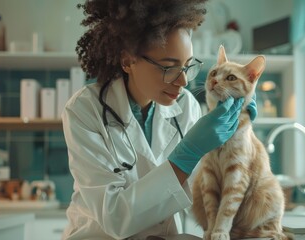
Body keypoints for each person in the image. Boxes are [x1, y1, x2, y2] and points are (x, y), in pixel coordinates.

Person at [61, 0, 257, 239]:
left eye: (187, 66)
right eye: (169, 67)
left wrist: (234, 139)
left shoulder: (186, 105)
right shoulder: (84, 110)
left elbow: (204, 191)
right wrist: (186, 156)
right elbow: (115, 217)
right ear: (128, 60)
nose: (183, 82)